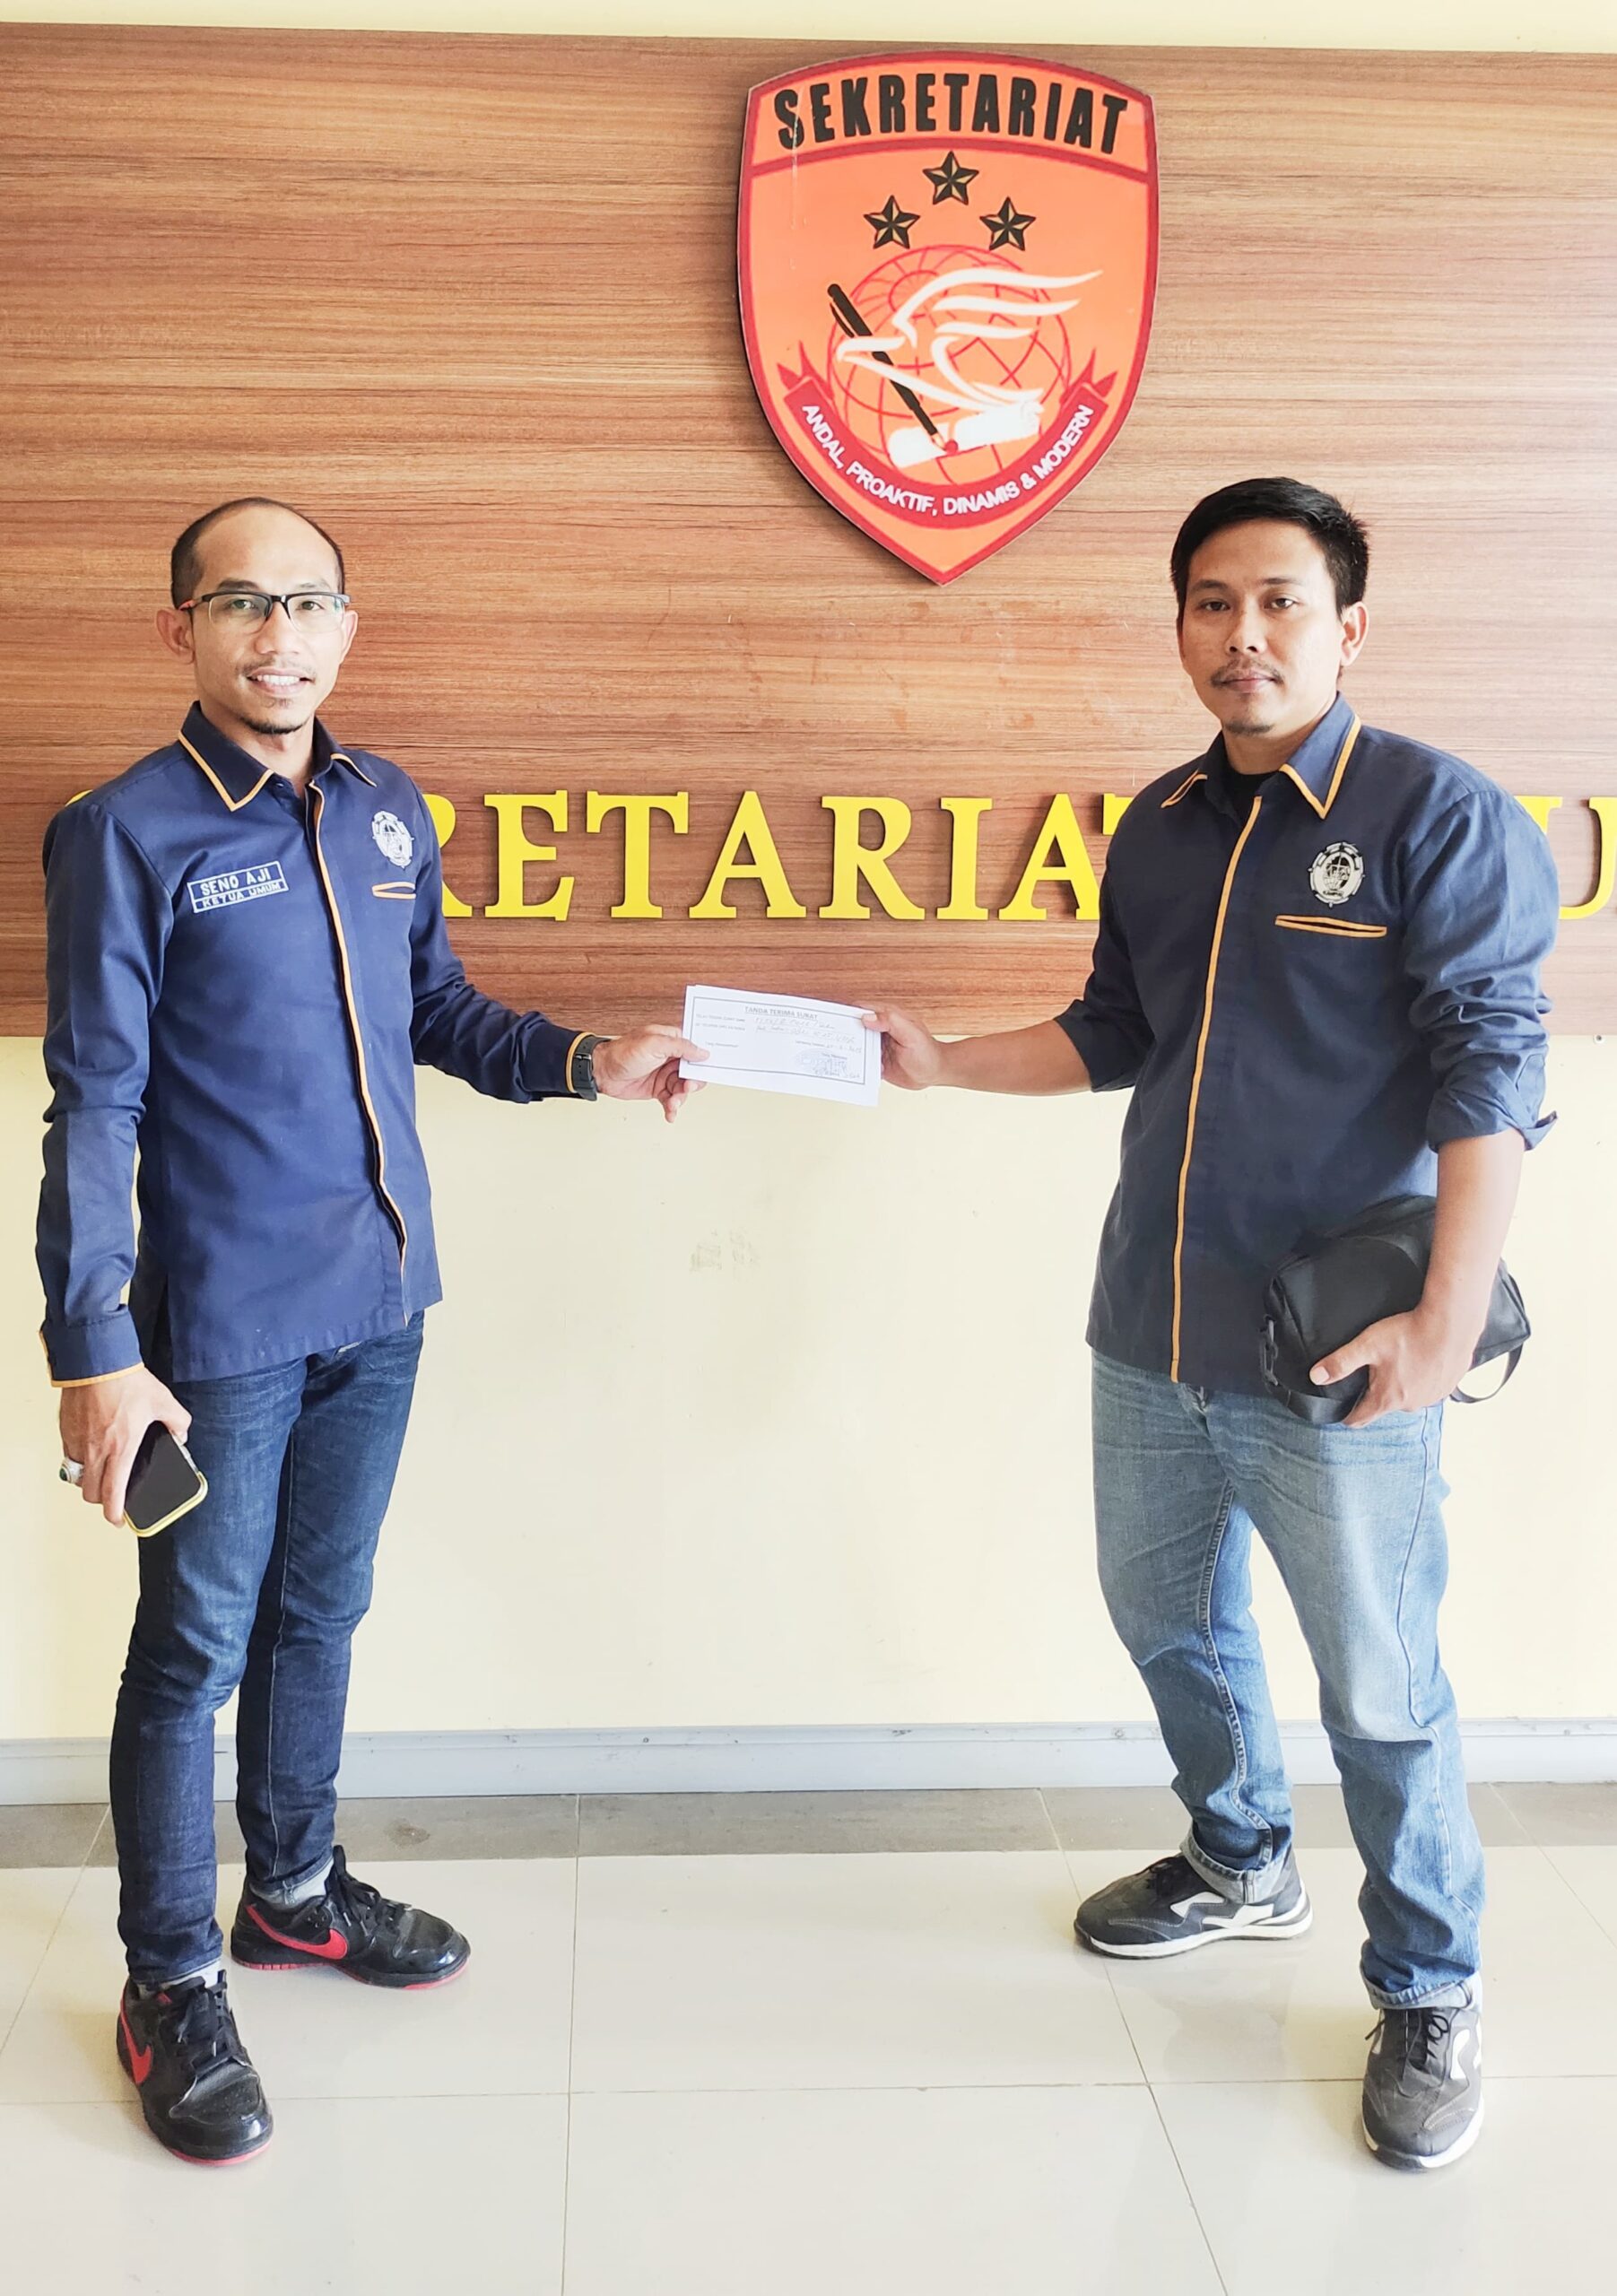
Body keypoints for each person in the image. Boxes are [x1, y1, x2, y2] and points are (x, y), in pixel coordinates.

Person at [865, 476, 1558, 2173]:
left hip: (1340, 1351)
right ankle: (1240, 1855)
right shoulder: (1165, 824)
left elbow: (1491, 1078)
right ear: (1179, 625)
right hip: (1153, 1322)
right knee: (1164, 1616)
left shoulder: (1436, 816)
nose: (1244, 636)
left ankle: (1430, 1985)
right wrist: (945, 1065)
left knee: (1380, 1682)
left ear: (1348, 628)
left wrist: (1442, 1328)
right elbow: (1115, 1030)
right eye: (1211, 604)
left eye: (1280, 603)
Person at [37, 496, 706, 2167]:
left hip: (382, 1302)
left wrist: (588, 1062)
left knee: (321, 1613)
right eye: (240, 603)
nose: (280, 635)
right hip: (219, 1330)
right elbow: (95, 1103)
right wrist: (93, 1347)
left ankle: (295, 1892)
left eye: (309, 602)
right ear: (181, 628)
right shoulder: (123, 832)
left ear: (348, 623)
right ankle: (169, 1980)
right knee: (192, 1651)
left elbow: (440, 1015)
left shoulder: (385, 806)